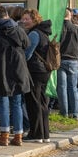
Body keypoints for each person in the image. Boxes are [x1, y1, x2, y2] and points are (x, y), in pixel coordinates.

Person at [0, 6, 31, 147]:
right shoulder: (19, 30)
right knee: (17, 103)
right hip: (18, 70)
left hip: (0, 70)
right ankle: (18, 136)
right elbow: (27, 44)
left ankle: (4, 136)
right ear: (7, 16)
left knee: (3, 103)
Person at [20, 9, 52, 143]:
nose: (24, 21)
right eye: (23, 19)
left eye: (27, 19)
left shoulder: (34, 34)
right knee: (42, 102)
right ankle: (44, 134)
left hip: (35, 71)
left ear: (34, 20)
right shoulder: (44, 32)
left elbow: (27, 54)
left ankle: (36, 133)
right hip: (44, 70)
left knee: (33, 102)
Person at [57, 7, 78, 119]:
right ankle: (76, 113)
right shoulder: (77, 29)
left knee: (61, 87)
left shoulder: (58, 28)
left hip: (60, 60)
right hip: (73, 60)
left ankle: (64, 113)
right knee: (73, 87)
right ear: (70, 16)